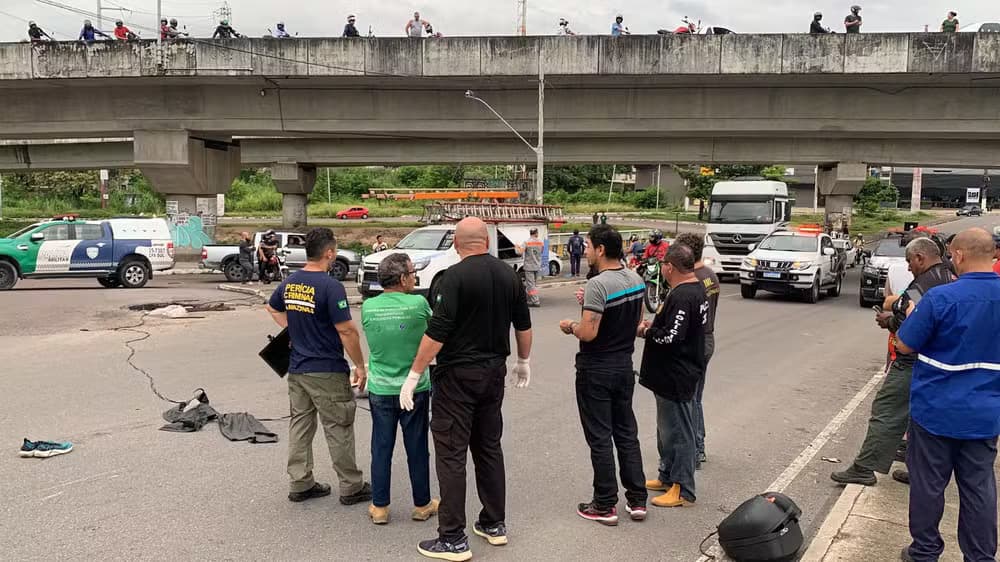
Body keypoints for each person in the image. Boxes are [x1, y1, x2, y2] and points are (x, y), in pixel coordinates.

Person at [408, 217, 532, 561]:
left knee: (451, 453)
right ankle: (494, 523)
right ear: (487, 242)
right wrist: (524, 360)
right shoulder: (509, 275)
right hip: (494, 372)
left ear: (455, 244)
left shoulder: (453, 277)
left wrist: (414, 373)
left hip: (457, 376)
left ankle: (452, 538)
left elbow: (437, 332)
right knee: (488, 447)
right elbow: (523, 325)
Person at [895, 228, 1000, 562]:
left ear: (959, 255)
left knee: (928, 486)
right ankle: (980, 557)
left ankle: (925, 551)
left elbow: (905, 344)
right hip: (985, 415)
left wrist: (911, 316)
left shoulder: (941, 298)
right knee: (979, 488)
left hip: (935, 411)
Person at [830, 237, 952, 487]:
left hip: (913, 359)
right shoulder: (949, 274)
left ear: (920, 258)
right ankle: (918, 468)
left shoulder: (923, 284)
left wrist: (889, 321)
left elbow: (914, 321)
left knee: (887, 410)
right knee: (922, 417)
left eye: (909, 261)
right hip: (940, 360)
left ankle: (864, 468)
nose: (908, 267)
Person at [265, 227, 372, 506]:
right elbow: (346, 330)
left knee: (301, 424)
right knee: (338, 425)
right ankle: (351, 485)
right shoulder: (330, 286)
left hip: (297, 368)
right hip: (327, 368)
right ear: (329, 253)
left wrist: (292, 330)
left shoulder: (291, 282)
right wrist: (359, 366)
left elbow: (272, 308)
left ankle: (300, 482)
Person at [559, 224, 647, 526]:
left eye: (588, 246)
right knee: (626, 433)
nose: (585, 252)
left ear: (600, 249)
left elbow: (588, 332)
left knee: (600, 437)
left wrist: (571, 325)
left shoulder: (598, 284)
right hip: (623, 365)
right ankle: (637, 499)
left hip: (596, 368)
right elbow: (637, 323)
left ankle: (605, 504)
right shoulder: (636, 279)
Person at [361, 253, 438, 526]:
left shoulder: (368, 306)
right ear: (403, 278)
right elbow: (435, 332)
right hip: (414, 387)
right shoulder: (418, 304)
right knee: (417, 447)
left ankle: (380, 506)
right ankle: (422, 504)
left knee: (381, 447)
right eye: (413, 273)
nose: (415, 278)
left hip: (381, 388)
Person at [638, 244, 709, 508]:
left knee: (679, 432)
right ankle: (667, 475)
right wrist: (655, 325)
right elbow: (675, 327)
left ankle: (683, 488)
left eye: (664, 265)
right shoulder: (692, 290)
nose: (663, 269)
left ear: (670, 267)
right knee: (666, 430)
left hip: (677, 374)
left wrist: (647, 332)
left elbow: (672, 336)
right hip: (669, 375)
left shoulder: (684, 295)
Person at [674, 233, 721, 468]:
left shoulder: (694, 279)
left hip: (695, 342)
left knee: (689, 399)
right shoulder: (710, 275)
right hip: (707, 338)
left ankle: (695, 448)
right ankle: (698, 446)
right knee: (695, 398)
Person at [517, 228, 544, 307]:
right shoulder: (541, 242)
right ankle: (529, 300)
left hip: (529, 267)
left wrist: (516, 247)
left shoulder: (527, 242)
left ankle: (535, 301)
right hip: (537, 266)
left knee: (531, 285)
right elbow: (541, 251)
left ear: (530, 233)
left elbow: (519, 252)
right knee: (532, 285)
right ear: (536, 233)